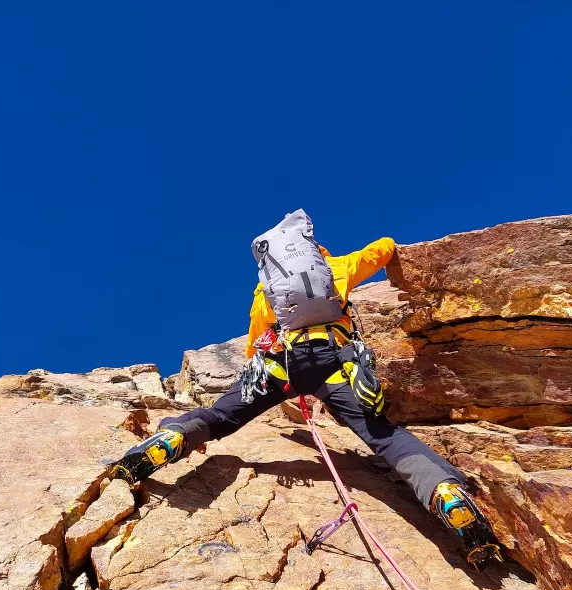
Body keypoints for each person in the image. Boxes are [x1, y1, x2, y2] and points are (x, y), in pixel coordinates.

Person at [112, 210, 500, 566]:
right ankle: (444, 492)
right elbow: (382, 250)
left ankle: (171, 440)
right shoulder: (336, 267)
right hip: (334, 364)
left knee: (219, 417)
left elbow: (253, 342)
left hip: (278, 364)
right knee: (382, 435)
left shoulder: (267, 290)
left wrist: (267, 377)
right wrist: (386, 244)